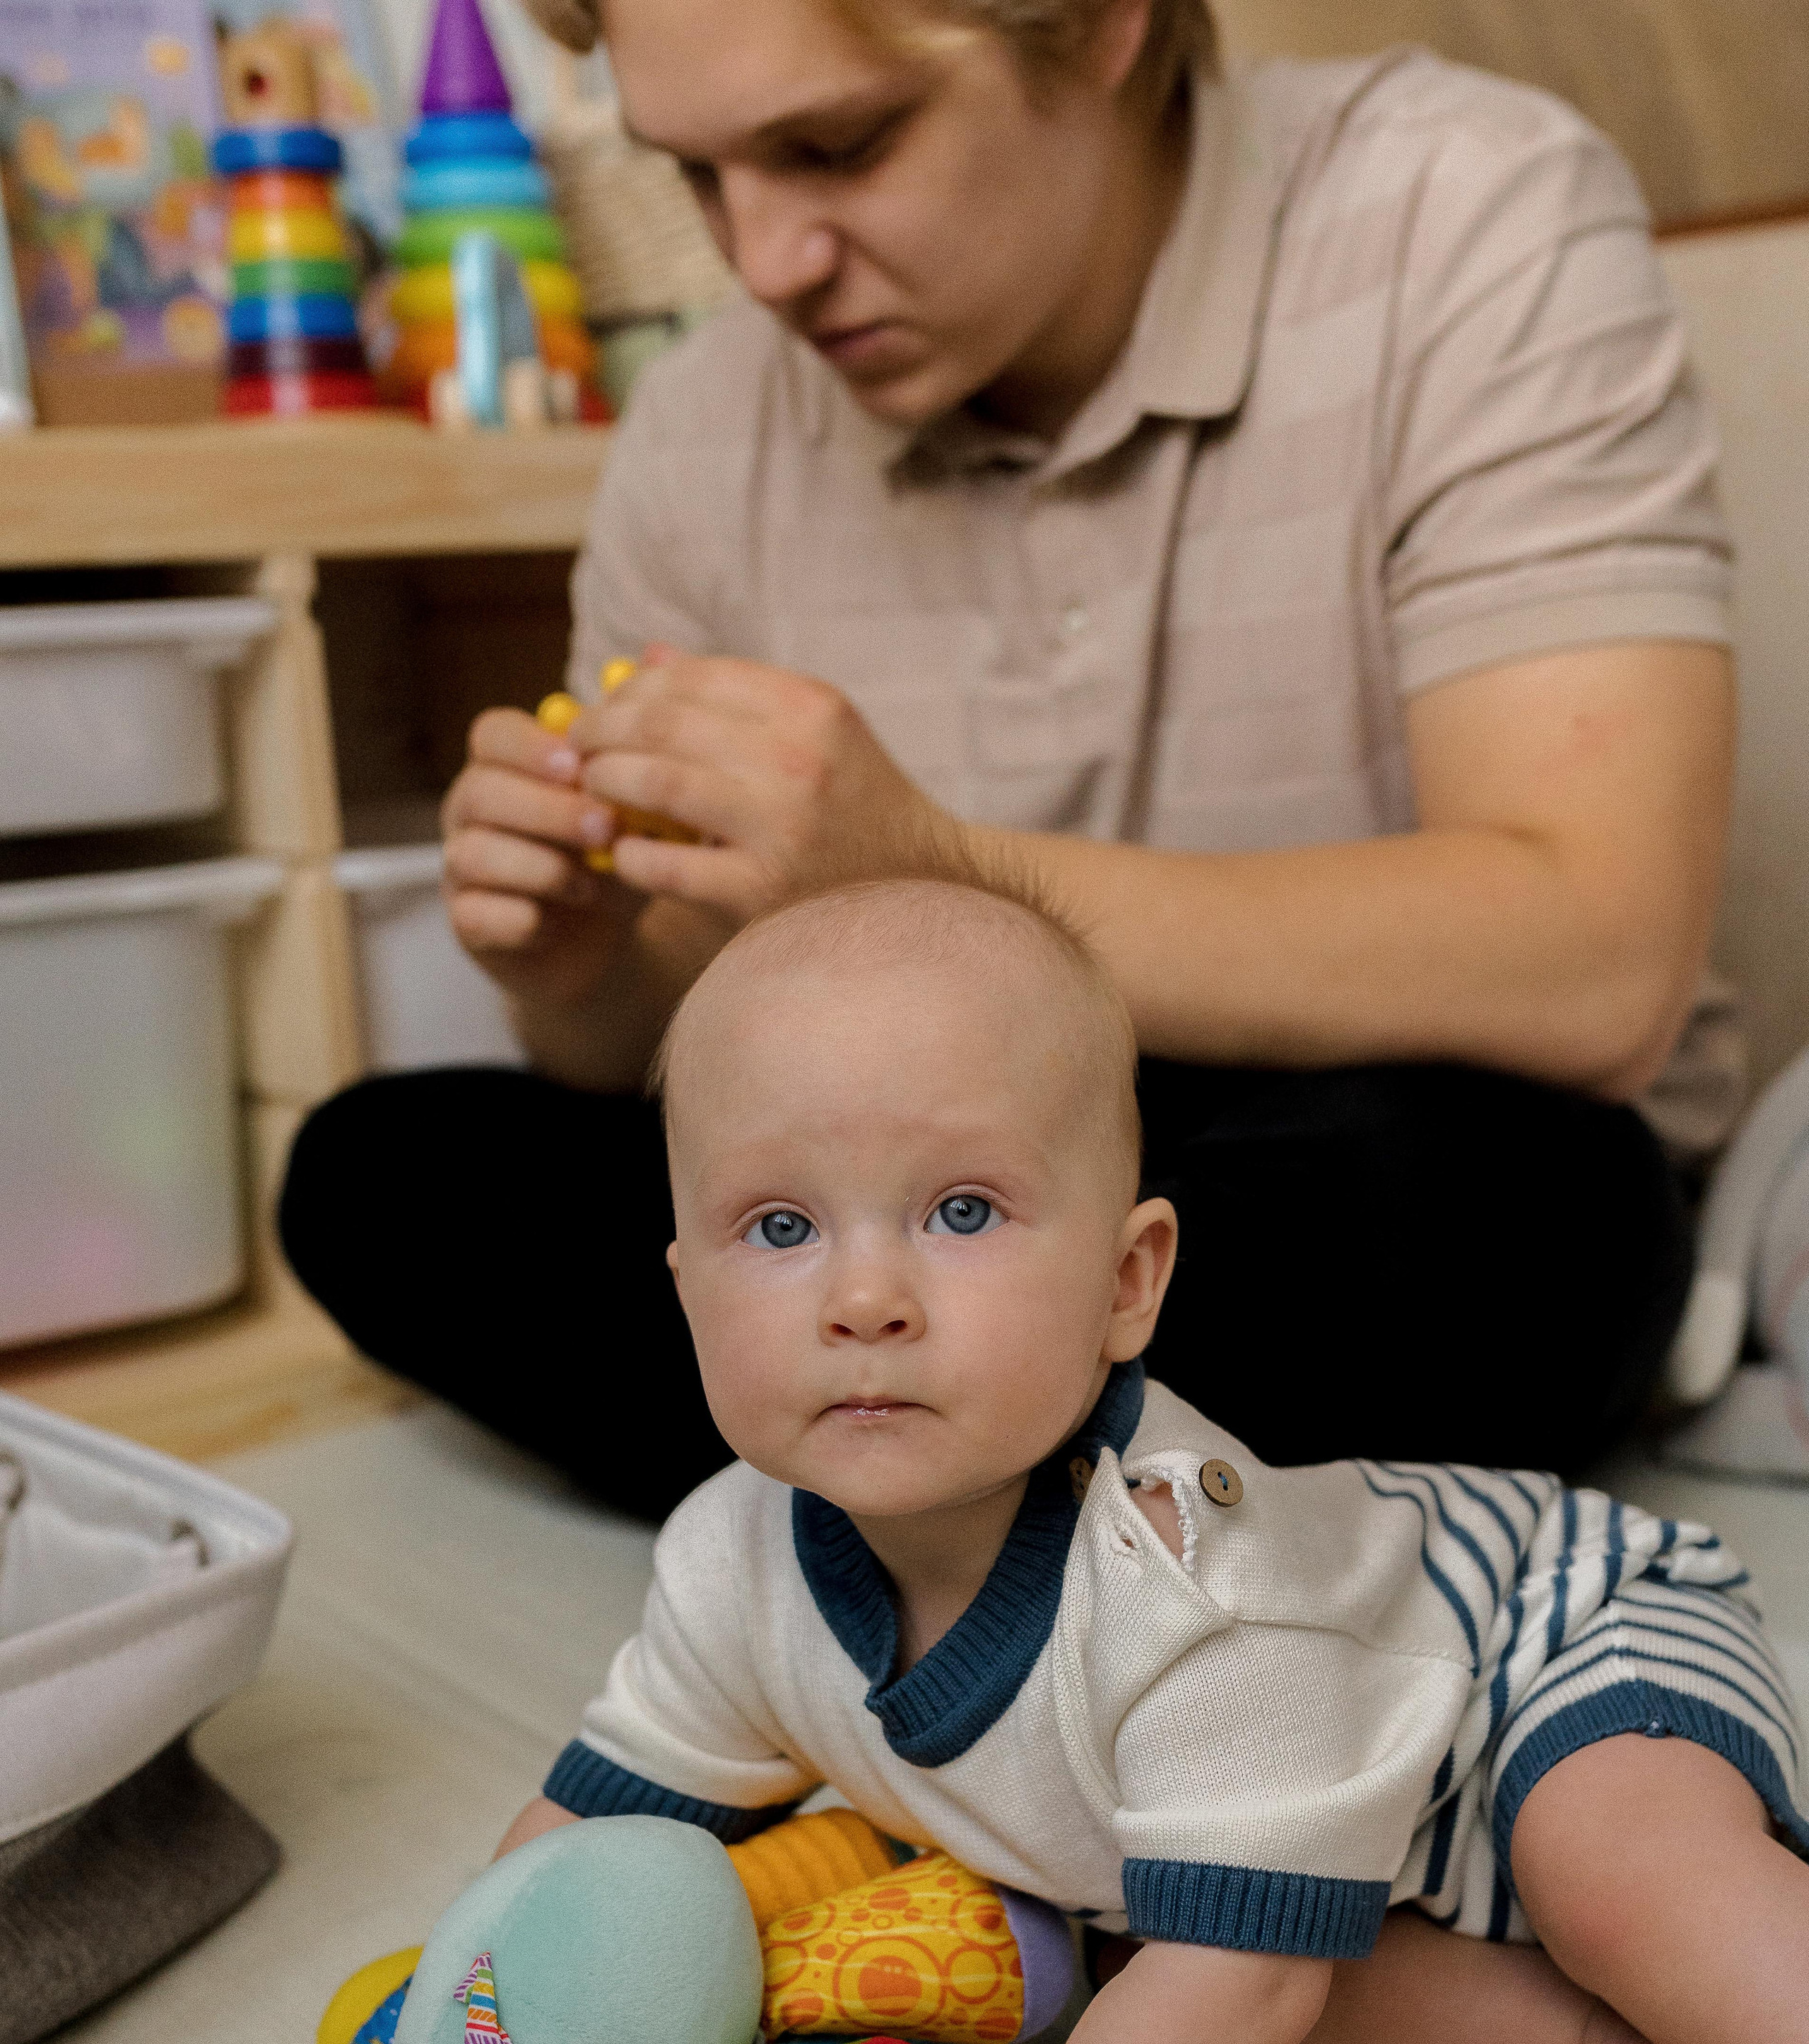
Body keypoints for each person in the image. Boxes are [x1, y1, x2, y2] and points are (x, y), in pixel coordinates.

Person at [254, 877, 1809, 2044]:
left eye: (963, 1211)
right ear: (685, 1289)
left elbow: (1240, 1985)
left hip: (1553, 1637)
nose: (864, 1296)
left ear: (1129, 1282)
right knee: (1171, 1970)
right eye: (779, 1229)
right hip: (1360, 1834)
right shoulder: (732, 1557)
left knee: (1575, 1880)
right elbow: (584, 1829)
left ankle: (1676, 1980)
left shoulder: (1181, 1586)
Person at [280, 0, 1740, 1519]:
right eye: (696, 178)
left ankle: (865, 1501)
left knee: (1513, 1210)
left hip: (1345, 1148)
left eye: (837, 145)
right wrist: (580, 966)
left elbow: (1596, 963)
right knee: (378, 1171)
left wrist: (923, 869)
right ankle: (1040, 1504)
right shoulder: (704, 423)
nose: (766, 264)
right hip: (905, 1199)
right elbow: (662, 1074)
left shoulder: (1465, 213)